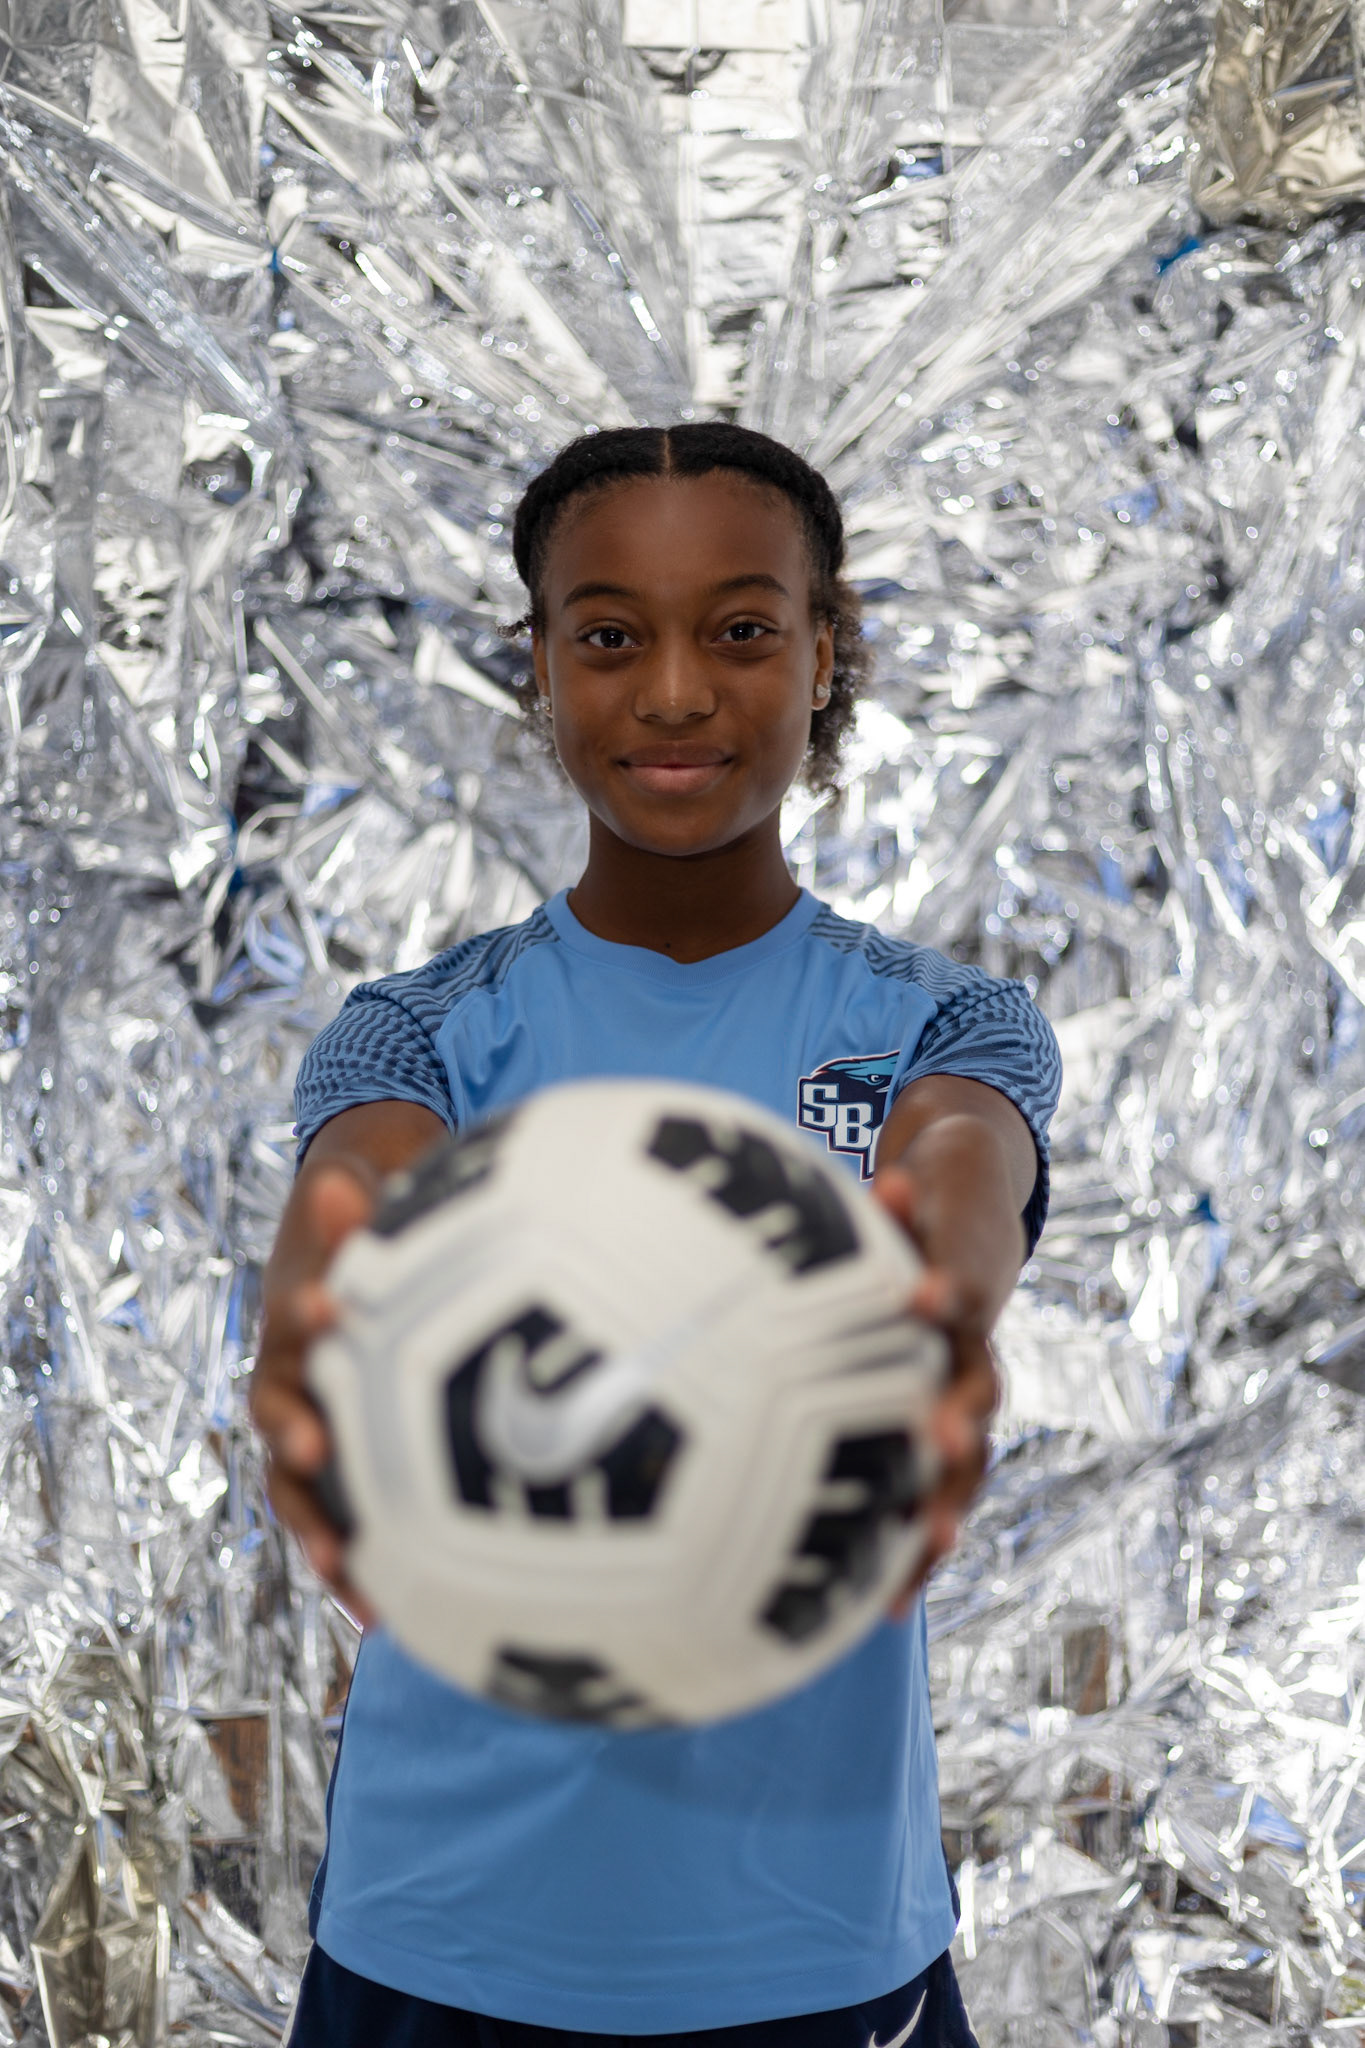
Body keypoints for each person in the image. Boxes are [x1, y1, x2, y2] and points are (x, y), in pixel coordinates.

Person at [252, 422, 1061, 2048]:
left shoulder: (939, 1020)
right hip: (445, 1944)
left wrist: (907, 1318)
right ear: (536, 663)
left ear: (826, 652)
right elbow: (347, 1238)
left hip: (815, 1950)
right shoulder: (419, 1029)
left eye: (742, 629)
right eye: (610, 635)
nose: (676, 691)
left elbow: (962, 1174)